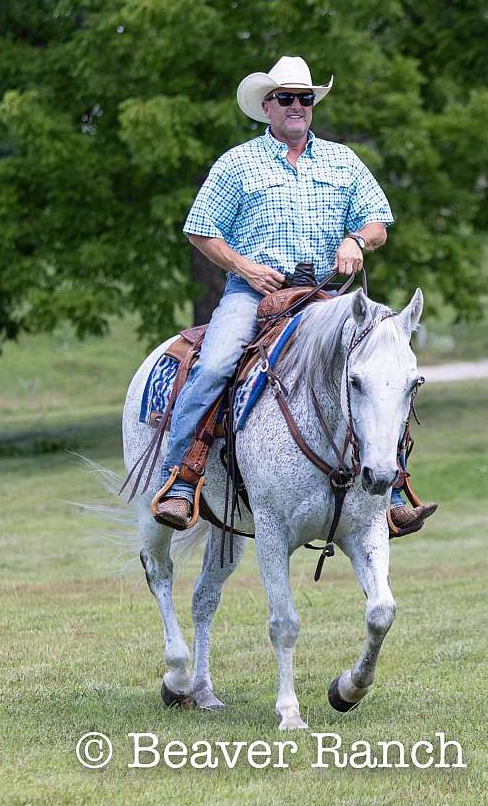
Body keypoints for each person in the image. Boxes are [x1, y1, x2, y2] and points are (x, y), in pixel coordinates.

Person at [154, 56, 436, 533]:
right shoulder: (237, 163)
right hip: (254, 292)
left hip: (324, 295)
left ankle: (391, 487)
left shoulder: (343, 160)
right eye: (286, 98)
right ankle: (181, 478)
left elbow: (377, 223)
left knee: (383, 366)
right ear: (267, 105)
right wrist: (244, 266)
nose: (296, 106)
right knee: (218, 361)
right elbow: (200, 231)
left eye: (304, 98)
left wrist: (356, 240)